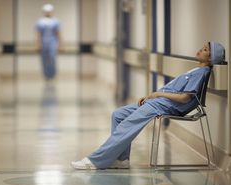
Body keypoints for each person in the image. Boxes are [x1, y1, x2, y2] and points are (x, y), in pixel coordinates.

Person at [71, 41, 225, 170]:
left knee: (127, 125)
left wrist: (157, 94)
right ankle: (122, 160)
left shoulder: (201, 72)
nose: (200, 49)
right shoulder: (196, 69)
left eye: (205, 50)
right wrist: (153, 97)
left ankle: (95, 161)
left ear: (211, 58)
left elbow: (184, 98)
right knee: (118, 115)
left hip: (166, 106)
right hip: (159, 102)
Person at [35, 4, 62, 81]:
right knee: (44, 60)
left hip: (53, 43)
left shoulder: (56, 22)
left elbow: (59, 34)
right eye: (46, 12)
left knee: (52, 58)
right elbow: (37, 34)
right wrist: (37, 44)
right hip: (43, 43)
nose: (48, 13)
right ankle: (46, 75)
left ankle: (52, 75)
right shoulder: (40, 22)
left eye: (49, 12)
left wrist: (60, 45)